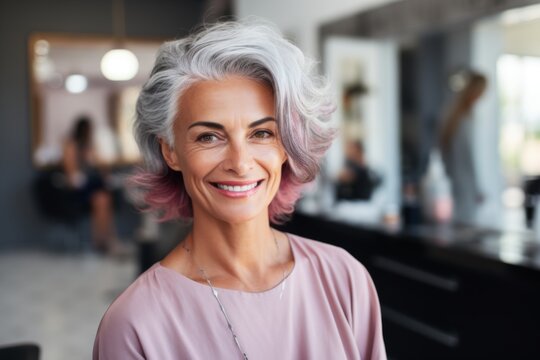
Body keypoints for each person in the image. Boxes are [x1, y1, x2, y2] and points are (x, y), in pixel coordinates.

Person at [93, 20, 386, 360]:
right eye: (209, 136)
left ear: (286, 146)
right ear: (170, 151)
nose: (240, 162)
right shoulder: (135, 324)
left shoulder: (344, 279)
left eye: (262, 133)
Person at [63, 117, 120, 253]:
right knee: (102, 200)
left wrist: (98, 163)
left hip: (93, 187)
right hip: (78, 190)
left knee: (104, 199)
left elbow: (101, 167)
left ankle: (105, 240)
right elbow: (71, 173)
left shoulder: (90, 146)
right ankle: (104, 241)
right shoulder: (71, 145)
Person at [439, 70, 487, 225]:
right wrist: (475, 188)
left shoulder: (453, 115)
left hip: (453, 183)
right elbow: (466, 158)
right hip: (461, 185)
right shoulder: (462, 120)